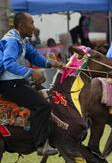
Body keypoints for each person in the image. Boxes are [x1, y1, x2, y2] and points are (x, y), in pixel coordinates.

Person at [0, 12, 64, 155]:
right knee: (43, 105)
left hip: (17, 82)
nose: (34, 27)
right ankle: (40, 144)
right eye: (31, 23)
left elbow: (34, 56)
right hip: (10, 85)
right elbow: (8, 63)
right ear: (22, 26)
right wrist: (31, 72)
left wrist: (52, 63)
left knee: (49, 96)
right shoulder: (12, 41)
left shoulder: (21, 39)